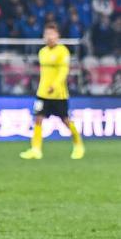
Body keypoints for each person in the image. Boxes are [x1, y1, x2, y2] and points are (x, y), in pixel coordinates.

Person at [20, 22, 84, 160]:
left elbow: (63, 72)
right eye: (47, 34)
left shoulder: (63, 51)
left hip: (58, 94)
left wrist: (54, 86)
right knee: (38, 119)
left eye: (52, 34)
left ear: (57, 36)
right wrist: (44, 87)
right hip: (42, 93)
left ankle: (78, 145)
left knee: (66, 120)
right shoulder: (42, 52)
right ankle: (36, 150)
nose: (49, 37)